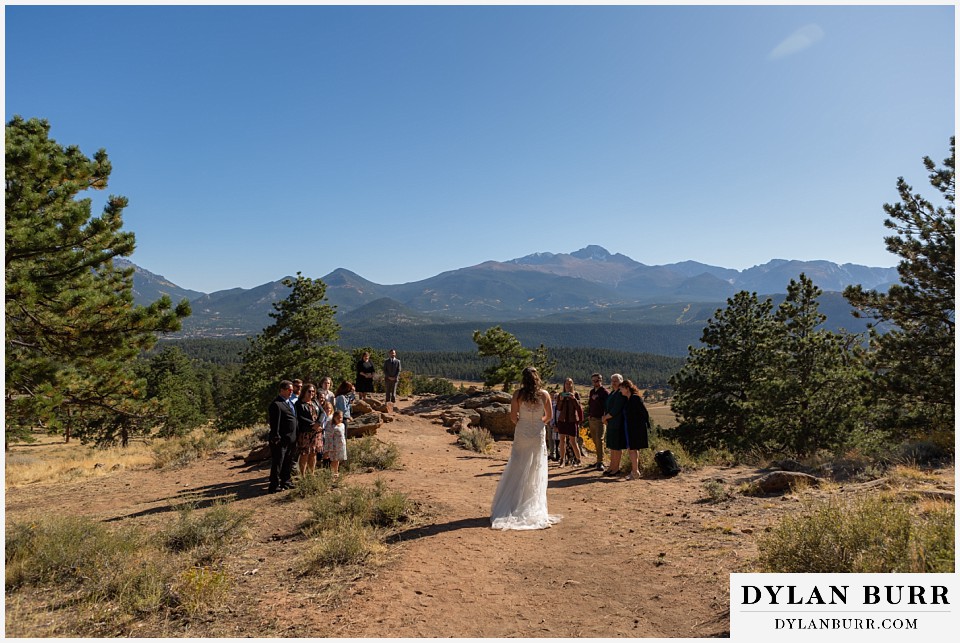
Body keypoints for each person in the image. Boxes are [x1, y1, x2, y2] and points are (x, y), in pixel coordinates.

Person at [490, 366, 561, 530]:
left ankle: (514, 503)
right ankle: (532, 505)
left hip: (522, 432)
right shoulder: (544, 394)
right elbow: (549, 416)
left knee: (518, 464)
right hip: (537, 432)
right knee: (536, 467)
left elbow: (513, 416)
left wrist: (522, 424)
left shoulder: (518, 395)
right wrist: (538, 423)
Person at [267, 380, 298, 493]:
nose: (291, 392)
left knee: (288, 461)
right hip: (281, 440)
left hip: (291, 438)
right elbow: (275, 423)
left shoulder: (289, 403)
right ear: (282, 390)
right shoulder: (276, 404)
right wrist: (276, 438)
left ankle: (286, 481)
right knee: (278, 462)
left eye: (292, 390)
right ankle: (274, 485)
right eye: (289, 390)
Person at [618, 379, 651, 481]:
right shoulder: (629, 399)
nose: (620, 391)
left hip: (635, 428)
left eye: (622, 388)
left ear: (627, 388)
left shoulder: (635, 398)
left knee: (632, 449)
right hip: (630, 427)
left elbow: (644, 413)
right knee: (632, 449)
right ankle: (635, 471)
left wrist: (641, 425)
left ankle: (635, 471)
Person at [295, 384, 324, 477]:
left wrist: (318, 423)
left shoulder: (315, 401)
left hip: (316, 432)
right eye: (309, 391)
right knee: (304, 454)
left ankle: (311, 474)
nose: (311, 393)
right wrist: (313, 425)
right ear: (304, 392)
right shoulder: (299, 404)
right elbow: (300, 417)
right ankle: (303, 476)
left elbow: (323, 413)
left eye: (313, 391)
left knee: (313, 453)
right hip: (305, 433)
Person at [555, 378, 584, 467]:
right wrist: (561, 399)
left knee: (573, 441)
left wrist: (573, 398)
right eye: (566, 383)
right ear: (564, 385)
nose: (568, 385)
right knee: (562, 440)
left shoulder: (576, 394)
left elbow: (578, 408)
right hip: (562, 420)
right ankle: (562, 460)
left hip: (572, 421)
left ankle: (578, 460)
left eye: (570, 383)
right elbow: (559, 408)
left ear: (572, 384)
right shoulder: (561, 394)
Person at [602, 373, 626, 477]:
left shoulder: (620, 393)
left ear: (621, 381)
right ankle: (611, 466)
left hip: (617, 422)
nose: (614, 383)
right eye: (612, 381)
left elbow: (617, 408)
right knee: (612, 446)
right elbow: (607, 406)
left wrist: (606, 417)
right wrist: (605, 417)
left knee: (617, 446)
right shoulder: (612, 392)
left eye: (616, 381)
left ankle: (616, 468)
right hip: (610, 422)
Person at [587, 373, 609, 471]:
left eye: (598, 380)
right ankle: (598, 459)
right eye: (594, 381)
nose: (596, 382)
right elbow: (590, 404)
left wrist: (598, 400)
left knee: (600, 440)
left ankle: (600, 461)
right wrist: (589, 414)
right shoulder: (592, 392)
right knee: (595, 440)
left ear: (601, 380)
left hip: (600, 419)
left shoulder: (604, 392)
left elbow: (607, 406)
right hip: (592, 419)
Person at [324, 409, 348, 480]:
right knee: (334, 460)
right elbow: (328, 437)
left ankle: (336, 472)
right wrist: (327, 449)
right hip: (334, 446)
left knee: (337, 460)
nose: (340, 419)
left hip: (341, 445)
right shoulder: (331, 426)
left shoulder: (342, 425)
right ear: (334, 417)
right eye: (338, 418)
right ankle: (332, 474)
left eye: (341, 417)